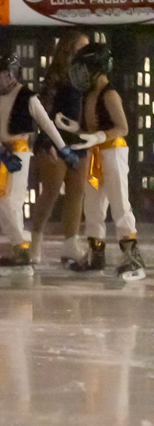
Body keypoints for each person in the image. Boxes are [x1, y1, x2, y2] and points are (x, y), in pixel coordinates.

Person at [0, 51, 77, 276]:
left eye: (3, 75)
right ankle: (18, 246)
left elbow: (47, 124)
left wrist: (63, 148)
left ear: (14, 73)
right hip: (1, 153)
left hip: (20, 151)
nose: (0, 81)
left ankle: (21, 246)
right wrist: (0, 151)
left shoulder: (28, 97)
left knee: (11, 200)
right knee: (1, 201)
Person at [64, 44, 146, 281]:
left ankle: (131, 255)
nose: (81, 74)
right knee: (92, 205)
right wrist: (76, 129)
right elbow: (90, 128)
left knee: (119, 202)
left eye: (85, 68)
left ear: (97, 68)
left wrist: (99, 136)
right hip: (95, 154)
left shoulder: (109, 94)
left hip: (112, 152)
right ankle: (96, 254)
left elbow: (123, 128)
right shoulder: (88, 94)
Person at [30, 30, 90, 266]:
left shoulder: (86, 76)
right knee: (51, 192)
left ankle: (70, 244)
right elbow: (43, 112)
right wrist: (47, 142)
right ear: (68, 49)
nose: (84, 52)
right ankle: (35, 240)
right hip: (55, 141)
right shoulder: (56, 75)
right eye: (81, 47)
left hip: (79, 140)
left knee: (77, 193)